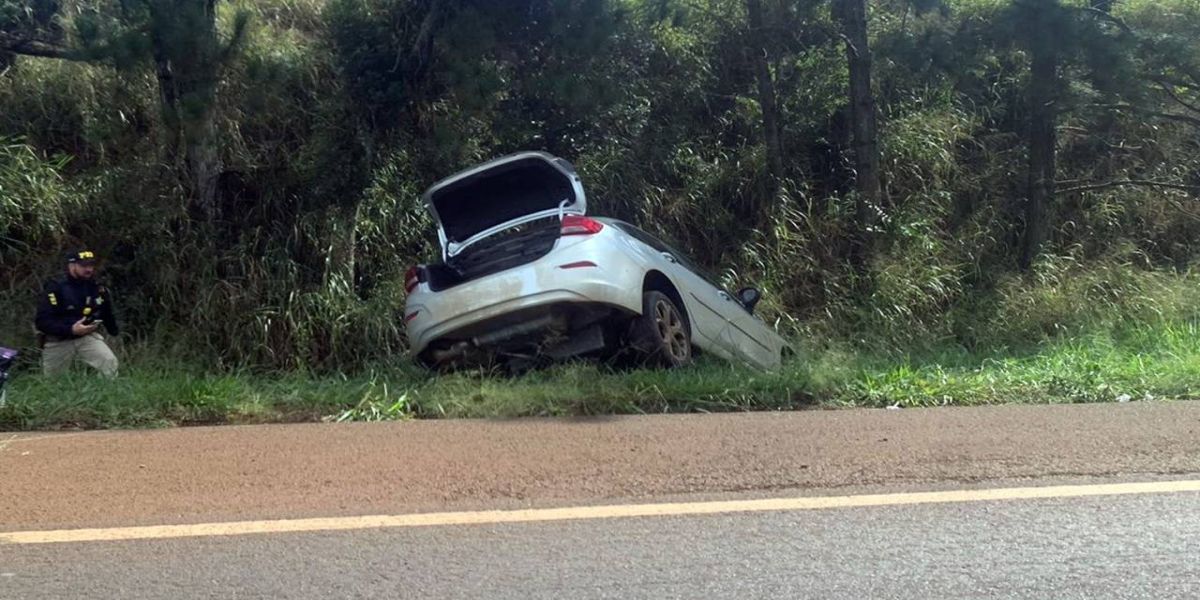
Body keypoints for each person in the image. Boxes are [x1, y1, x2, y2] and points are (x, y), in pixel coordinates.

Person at [34, 248, 120, 378]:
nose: (89, 269)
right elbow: (42, 322)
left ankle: (106, 394)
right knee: (53, 381)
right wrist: (71, 329)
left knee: (108, 362)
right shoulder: (56, 287)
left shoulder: (95, 286)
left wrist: (113, 331)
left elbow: (105, 311)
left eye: (91, 265)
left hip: (86, 337)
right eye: (83, 265)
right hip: (58, 340)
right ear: (71, 265)